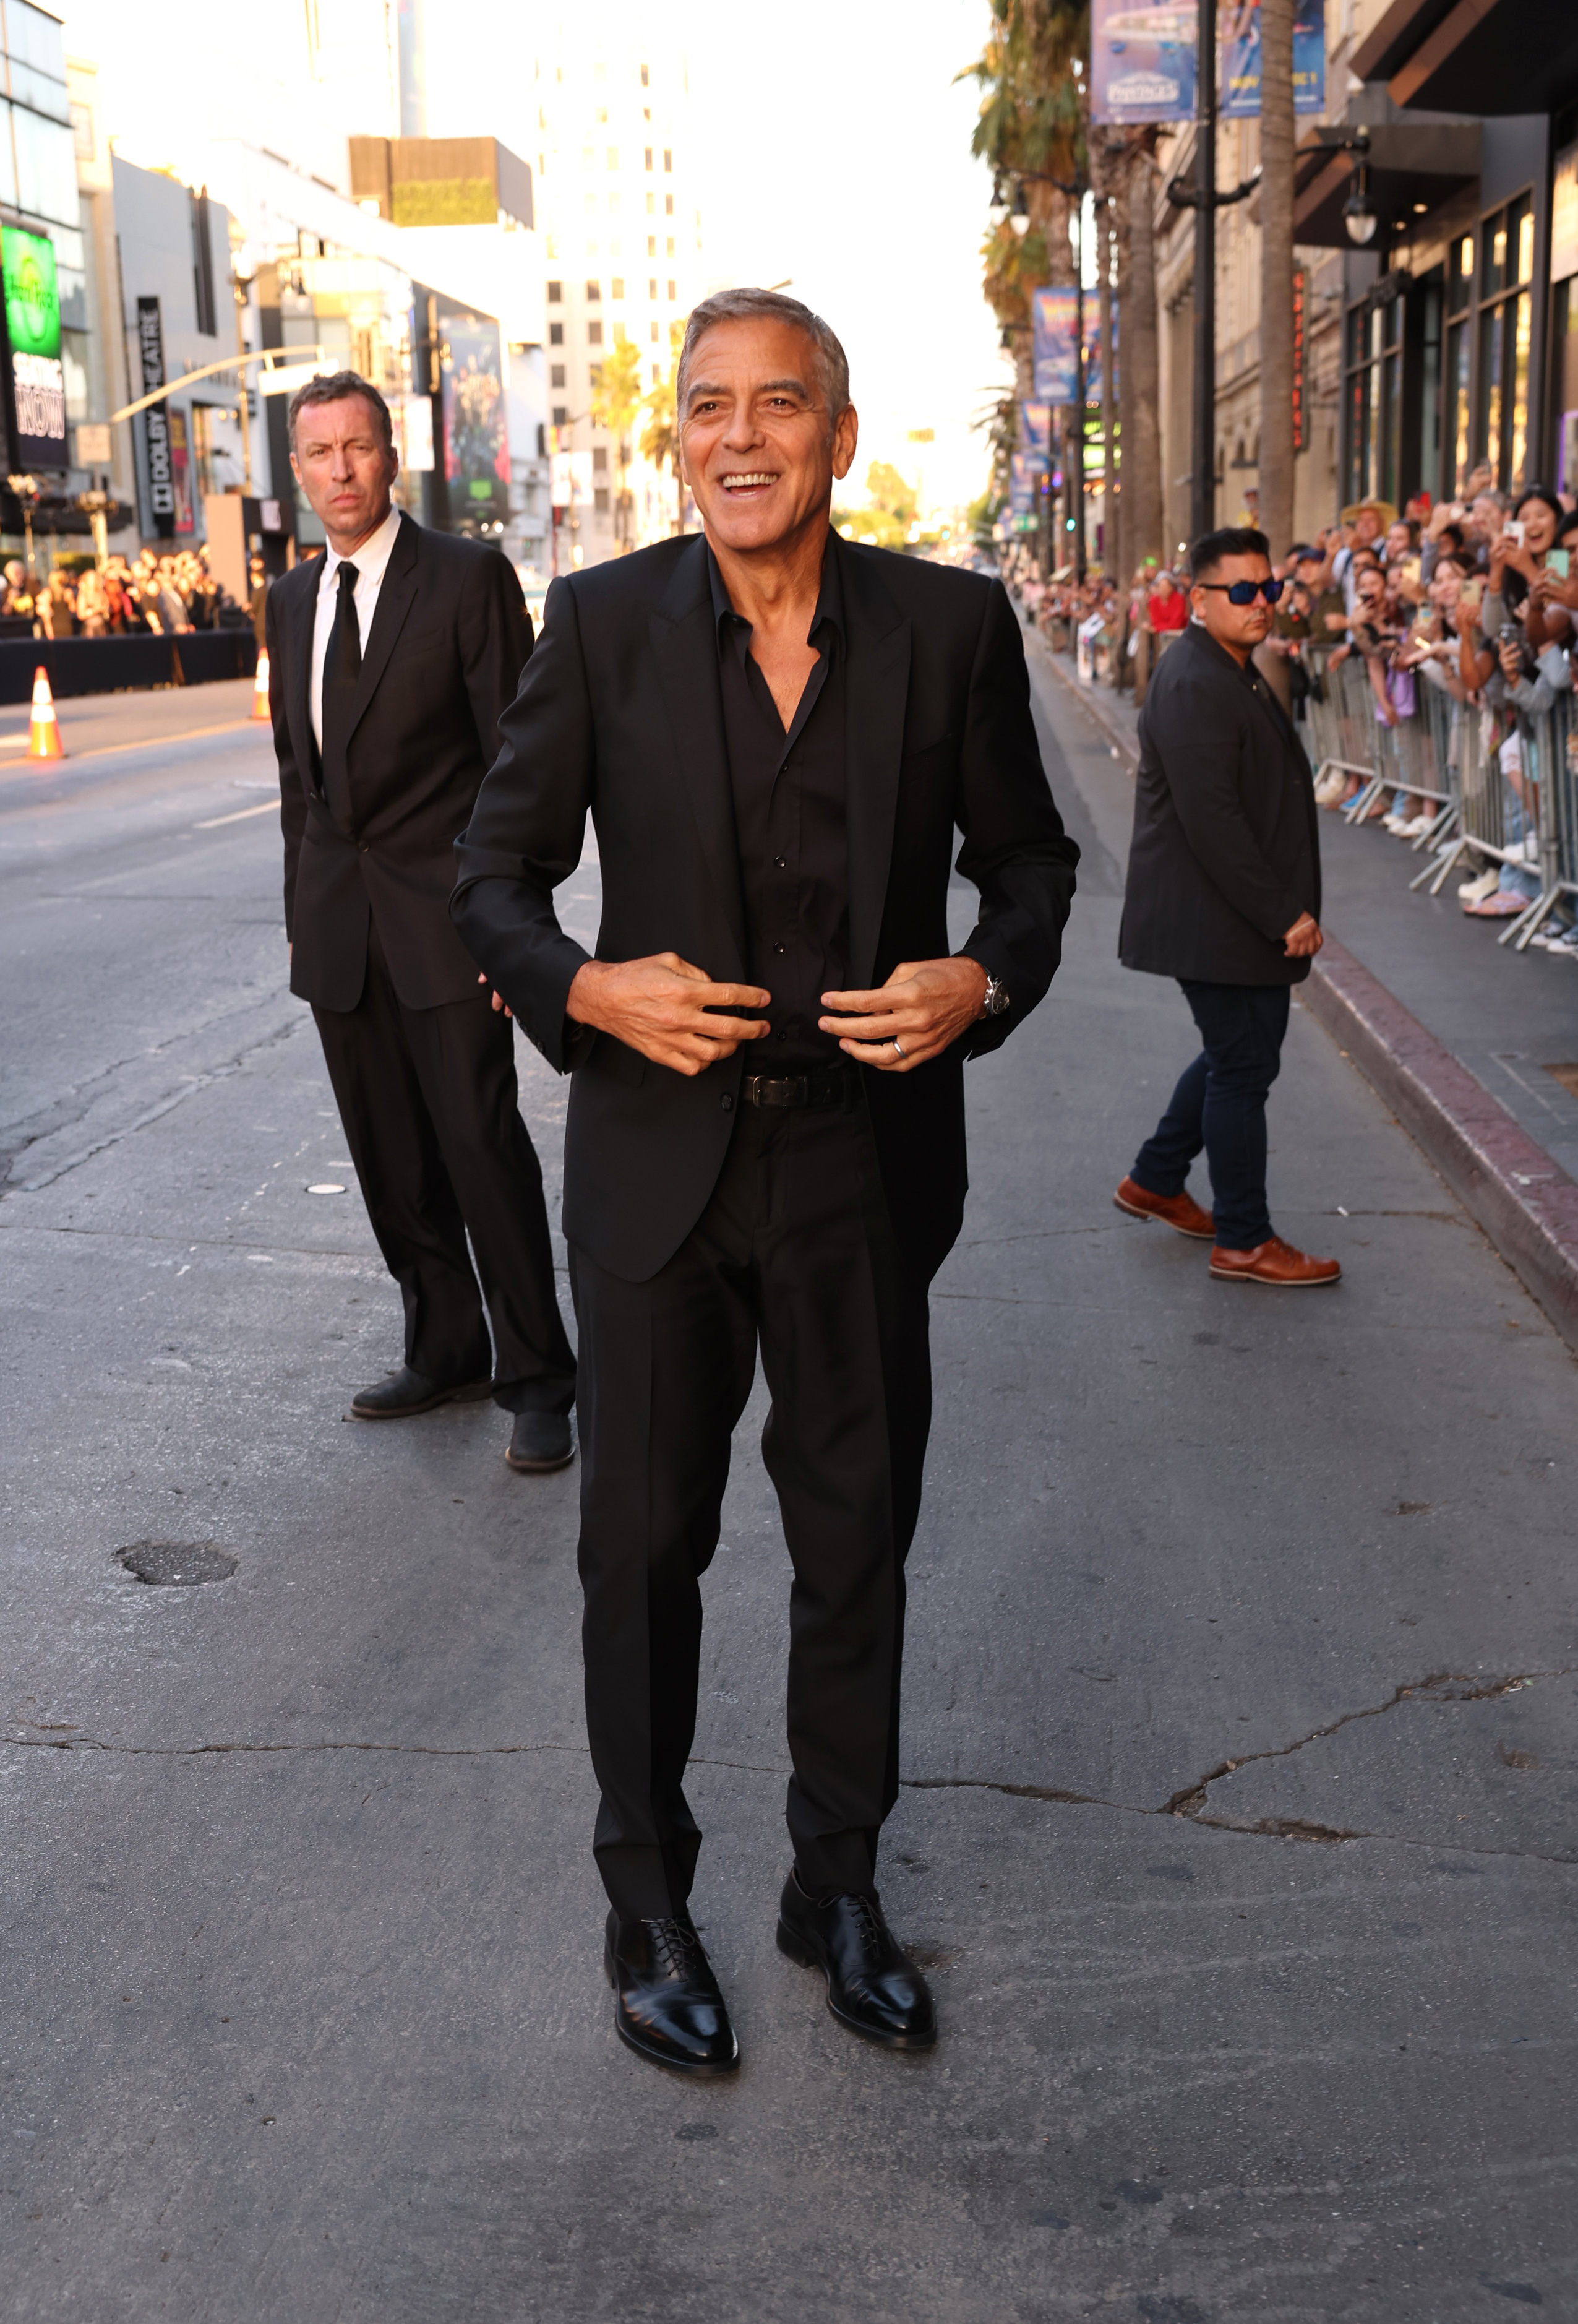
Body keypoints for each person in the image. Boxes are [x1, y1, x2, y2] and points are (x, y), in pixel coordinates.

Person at [452, 286, 1079, 2076]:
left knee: (851, 1538)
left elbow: (1026, 867)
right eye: (707, 406)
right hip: (656, 1159)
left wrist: (980, 976)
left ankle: (836, 1882)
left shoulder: (948, 626)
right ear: (676, 440)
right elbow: (487, 878)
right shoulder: (597, 625)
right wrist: (580, 985)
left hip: (863, 1157)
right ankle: (644, 1898)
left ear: (838, 436)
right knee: (640, 1549)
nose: (739, 435)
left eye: (778, 404)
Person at [267, 369, 576, 1472]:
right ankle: (444, 1343)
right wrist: (304, 919)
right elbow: (300, 784)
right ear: (295, 471)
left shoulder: (466, 578)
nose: (341, 469)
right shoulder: (291, 599)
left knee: (482, 1150)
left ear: (390, 455)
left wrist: (514, 932)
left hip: (449, 926)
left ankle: (540, 1376)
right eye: (319, 453)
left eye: (358, 446)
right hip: (340, 933)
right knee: (390, 1157)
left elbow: (518, 762)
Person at [1113, 525, 1339, 1289]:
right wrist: (1283, 912)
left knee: (1234, 1055)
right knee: (1243, 1064)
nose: (1261, 603)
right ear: (1198, 601)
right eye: (1242, 591)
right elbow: (1212, 821)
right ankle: (1244, 1238)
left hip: (1224, 914)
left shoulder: (1229, 668)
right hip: (1214, 915)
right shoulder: (1192, 680)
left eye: (1268, 587)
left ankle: (1155, 1177)